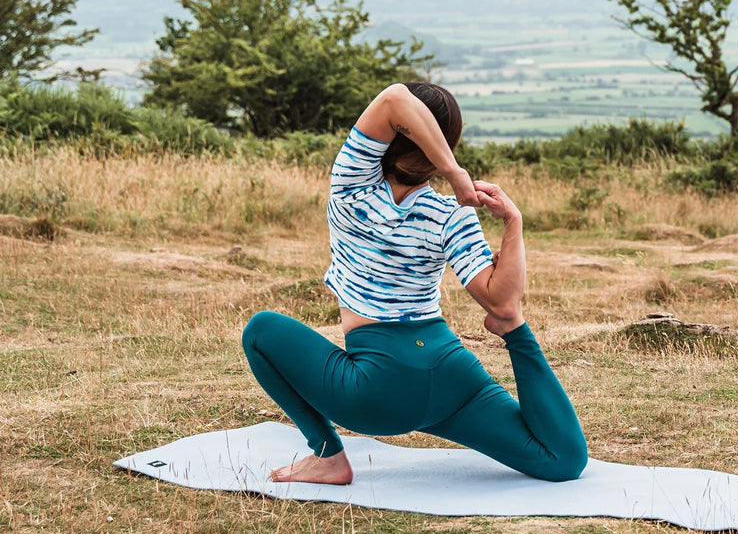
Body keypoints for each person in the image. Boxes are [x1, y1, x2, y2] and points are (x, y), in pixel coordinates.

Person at [241, 81, 588, 486]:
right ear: (445, 141)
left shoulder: (350, 183)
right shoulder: (451, 213)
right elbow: (504, 305)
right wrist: (514, 223)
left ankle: (327, 457)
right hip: (452, 376)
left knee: (261, 330)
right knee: (562, 460)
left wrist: (453, 173)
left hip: (377, 390)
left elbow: (394, 99)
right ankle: (518, 342)